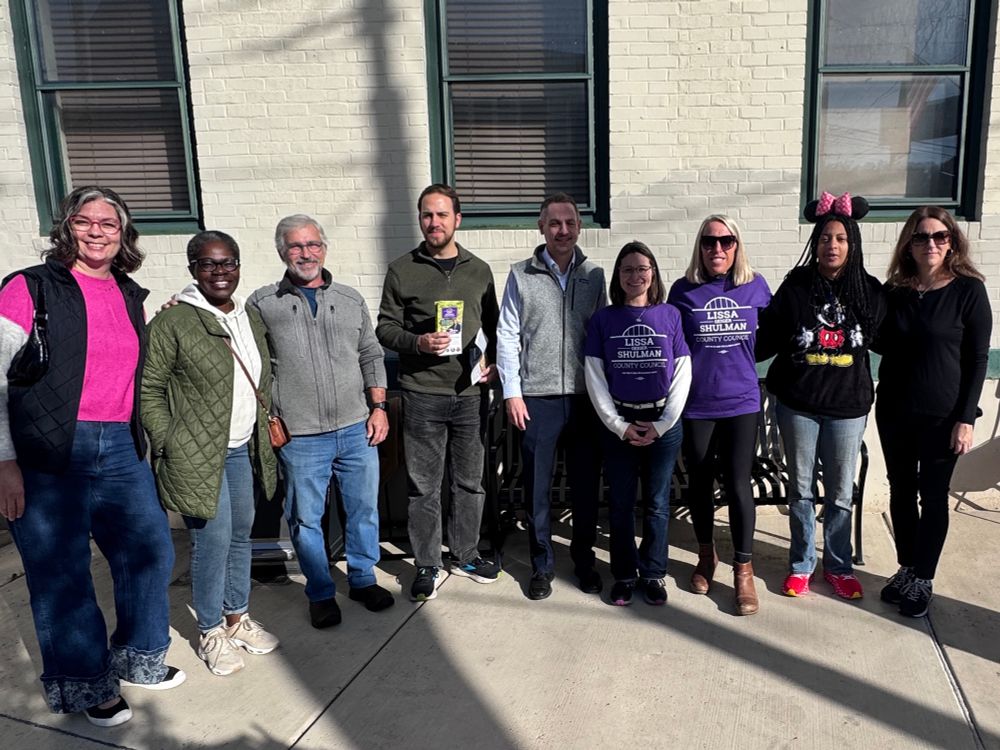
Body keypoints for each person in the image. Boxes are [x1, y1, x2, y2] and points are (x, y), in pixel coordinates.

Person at [0, 187, 183, 728]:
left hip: (121, 445)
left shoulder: (129, 294)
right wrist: (4, 463)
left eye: (110, 223)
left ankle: (139, 657)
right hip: (50, 450)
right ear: (67, 227)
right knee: (63, 571)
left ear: (124, 234)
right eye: (86, 221)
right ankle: (86, 685)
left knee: (148, 548)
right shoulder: (28, 287)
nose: (98, 231)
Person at [142, 231, 279, 677]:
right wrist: (168, 440)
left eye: (228, 262)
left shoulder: (248, 317)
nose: (220, 272)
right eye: (208, 264)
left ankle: (237, 616)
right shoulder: (173, 322)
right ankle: (210, 629)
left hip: (240, 446)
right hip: (196, 454)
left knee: (241, 533)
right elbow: (149, 390)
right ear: (192, 271)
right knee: (212, 540)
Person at [248, 215, 393, 628]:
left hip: (355, 426)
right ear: (282, 252)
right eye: (295, 246)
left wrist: (378, 407)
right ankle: (321, 591)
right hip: (301, 434)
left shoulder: (349, 300)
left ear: (324, 249)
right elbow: (250, 358)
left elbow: (371, 354)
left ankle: (363, 579)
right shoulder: (263, 303)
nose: (305, 253)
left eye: (312, 244)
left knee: (363, 509)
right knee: (306, 518)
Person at [756, 192, 885, 601]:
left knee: (841, 492)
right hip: (798, 405)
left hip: (848, 408)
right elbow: (766, 337)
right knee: (801, 489)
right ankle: (801, 565)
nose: (832, 245)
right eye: (826, 238)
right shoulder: (796, 286)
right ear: (816, 243)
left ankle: (838, 566)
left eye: (841, 239)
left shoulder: (869, 290)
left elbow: (896, 339)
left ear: (853, 244)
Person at [376, 184, 501, 601]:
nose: (434, 223)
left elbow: (498, 328)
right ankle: (427, 563)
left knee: (469, 482)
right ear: (420, 220)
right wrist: (417, 342)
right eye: (427, 215)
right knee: (424, 486)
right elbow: (385, 328)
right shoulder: (401, 270)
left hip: (468, 394)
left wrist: (494, 365)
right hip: (421, 393)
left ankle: (465, 554)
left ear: (457, 219)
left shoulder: (478, 270)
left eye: (442, 215)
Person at [876, 206, 991, 617]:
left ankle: (924, 578)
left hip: (943, 418)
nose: (931, 244)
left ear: (952, 241)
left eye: (940, 236)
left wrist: (965, 419)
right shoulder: (895, 292)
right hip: (894, 413)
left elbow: (978, 360)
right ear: (909, 243)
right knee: (901, 493)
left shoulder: (968, 291)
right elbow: (874, 337)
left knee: (933, 496)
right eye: (922, 237)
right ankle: (907, 568)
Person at [496, 192, 607, 601]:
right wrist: (513, 392)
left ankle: (584, 563)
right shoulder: (520, 274)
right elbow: (507, 335)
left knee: (583, 489)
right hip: (536, 399)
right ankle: (541, 566)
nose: (563, 230)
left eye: (570, 223)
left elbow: (603, 335)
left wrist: (604, 394)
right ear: (541, 227)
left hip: (583, 399)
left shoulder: (594, 275)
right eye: (555, 223)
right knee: (537, 489)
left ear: (580, 227)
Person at [667, 215, 771, 615]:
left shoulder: (754, 286)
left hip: (742, 401)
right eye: (710, 242)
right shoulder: (683, 291)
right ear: (700, 246)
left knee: (739, 484)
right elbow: (672, 344)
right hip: (698, 405)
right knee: (700, 482)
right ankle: (706, 555)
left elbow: (776, 332)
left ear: (736, 245)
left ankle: (743, 570)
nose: (718, 249)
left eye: (726, 242)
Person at [584, 241, 690, 606]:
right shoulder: (604, 320)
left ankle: (654, 574)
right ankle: (625, 575)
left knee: (658, 503)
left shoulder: (670, 316)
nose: (635, 276)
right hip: (619, 424)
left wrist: (661, 425)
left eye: (642, 268)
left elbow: (682, 372)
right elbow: (594, 376)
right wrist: (618, 425)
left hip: (663, 422)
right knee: (621, 503)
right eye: (627, 269)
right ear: (618, 276)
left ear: (653, 273)